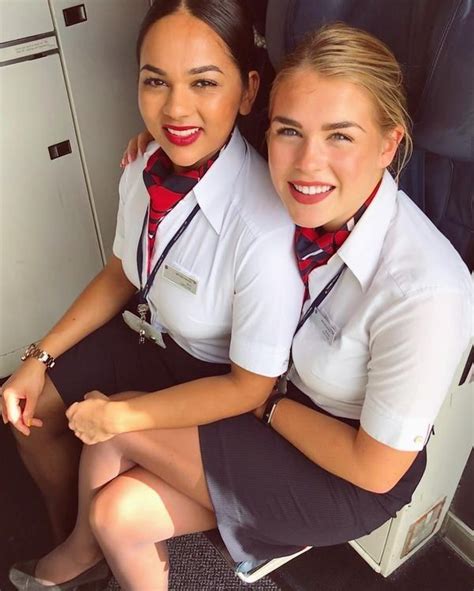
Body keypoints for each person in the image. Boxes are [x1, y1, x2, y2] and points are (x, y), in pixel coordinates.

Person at [10, 21, 472, 591]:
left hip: (346, 469)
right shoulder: (297, 207)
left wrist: (264, 406)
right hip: (276, 406)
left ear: (388, 143)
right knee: (113, 510)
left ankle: (67, 567)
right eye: (289, 131)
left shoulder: (425, 292)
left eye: (341, 136)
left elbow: (374, 470)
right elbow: (206, 151)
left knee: (119, 429)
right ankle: (81, 557)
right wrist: (158, 156)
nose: (307, 162)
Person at [3, 0, 303, 573]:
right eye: (155, 82)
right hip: (152, 340)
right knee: (30, 409)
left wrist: (128, 414)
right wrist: (38, 357)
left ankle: (89, 539)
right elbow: (122, 273)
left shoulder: (263, 227)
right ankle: (70, 529)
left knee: (119, 499)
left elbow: (250, 388)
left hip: (216, 384)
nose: (176, 108)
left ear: (247, 91)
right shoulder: (143, 167)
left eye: (204, 83)